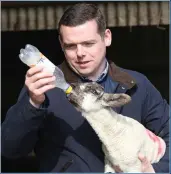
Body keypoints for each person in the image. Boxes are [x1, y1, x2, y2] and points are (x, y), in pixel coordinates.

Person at [1, 3, 169, 173]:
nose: (80, 53)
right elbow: (10, 149)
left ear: (107, 37)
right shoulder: (44, 88)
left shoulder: (137, 84)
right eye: (71, 46)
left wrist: (157, 171)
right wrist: (32, 104)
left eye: (88, 43)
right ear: (61, 43)